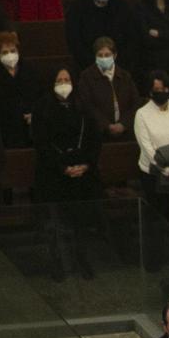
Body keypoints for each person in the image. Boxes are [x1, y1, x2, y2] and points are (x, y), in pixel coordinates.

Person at [33, 66, 100, 280]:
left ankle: (82, 260)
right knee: (55, 224)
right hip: (53, 174)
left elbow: (94, 140)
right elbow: (41, 144)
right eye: (59, 80)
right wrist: (63, 167)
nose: (63, 83)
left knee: (81, 222)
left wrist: (85, 165)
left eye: (67, 79)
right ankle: (58, 265)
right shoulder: (42, 108)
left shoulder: (84, 106)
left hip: (82, 175)